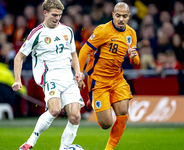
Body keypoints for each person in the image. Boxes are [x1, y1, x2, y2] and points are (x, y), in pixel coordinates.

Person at [12, 0, 85, 150]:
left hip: (68, 77)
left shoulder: (67, 31)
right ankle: (29, 143)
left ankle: (64, 148)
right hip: (49, 76)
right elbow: (19, 57)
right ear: (45, 13)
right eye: (54, 15)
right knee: (55, 109)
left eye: (59, 15)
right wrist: (17, 80)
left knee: (75, 116)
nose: (57, 18)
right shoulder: (36, 33)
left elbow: (73, 53)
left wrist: (77, 71)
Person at [78, 2, 140, 150]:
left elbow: (136, 62)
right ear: (113, 15)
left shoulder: (131, 33)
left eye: (124, 16)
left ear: (128, 17)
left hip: (117, 79)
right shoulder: (103, 30)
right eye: (118, 15)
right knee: (106, 124)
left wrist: (134, 55)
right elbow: (84, 51)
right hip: (98, 80)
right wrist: (79, 73)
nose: (120, 19)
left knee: (123, 113)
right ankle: (93, 100)